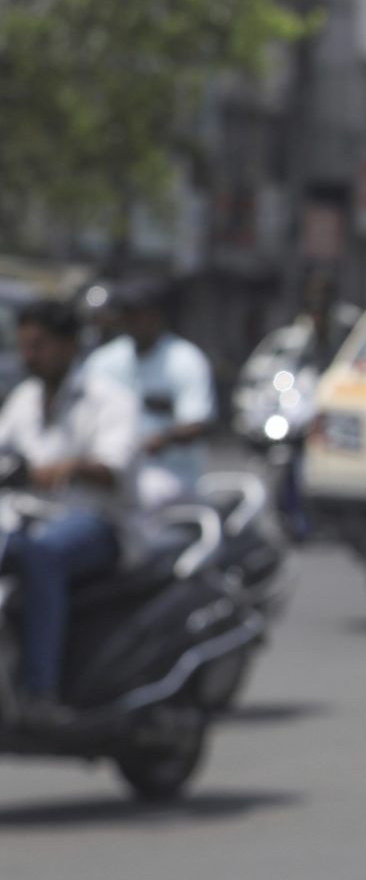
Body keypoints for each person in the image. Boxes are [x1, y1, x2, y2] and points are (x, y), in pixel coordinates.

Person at [0, 300, 140, 726]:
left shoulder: (108, 399)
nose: (29, 356)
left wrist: (66, 469)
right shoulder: (23, 398)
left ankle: (40, 692)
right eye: (24, 346)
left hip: (95, 523)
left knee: (39, 554)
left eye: (38, 345)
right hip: (22, 519)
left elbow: (114, 467)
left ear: (69, 346)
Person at [83, 280, 215, 508]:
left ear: (158, 315)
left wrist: (160, 440)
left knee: (140, 495)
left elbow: (197, 423)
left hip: (167, 472)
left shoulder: (186, 360)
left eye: (140, 313)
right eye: (127, 313)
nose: (133, 320)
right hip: (111, 467)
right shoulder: (104, 360)